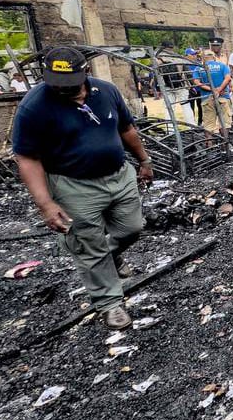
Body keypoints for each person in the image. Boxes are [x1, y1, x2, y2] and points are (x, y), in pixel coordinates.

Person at [11, 47, 153, 330]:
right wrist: (46, 204)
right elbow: (27, 157)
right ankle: (110, 303)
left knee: (132, 227)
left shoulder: (106, 91)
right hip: (73, 184)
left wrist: (144, 160)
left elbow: (126, 129)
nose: (62, 90)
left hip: (118, 175)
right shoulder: (35, 105)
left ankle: (110, 256)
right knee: (88, 244)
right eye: (56, 83)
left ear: (85, 72)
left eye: (70, 83)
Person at [192, 49, 232, 136]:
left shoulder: (199, 68)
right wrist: (219, 89)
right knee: (225, 122)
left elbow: (197, 82)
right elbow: (228, 78)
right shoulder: (222, 66)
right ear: (214, 57)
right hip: (223, 96)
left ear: (203, 58)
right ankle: (225, 145)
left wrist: (211, 89)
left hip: (207, 98)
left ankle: (210, 145)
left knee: (209, 124)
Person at [156, 41, 196, 126]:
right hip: (180, 84)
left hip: (167, 86)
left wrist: (158, 88)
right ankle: (192, 126)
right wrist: (192, 85)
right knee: (186, 105)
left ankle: (171, 130)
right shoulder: (178, 57)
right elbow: (188, 72)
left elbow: (156, 74)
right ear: (172, 47)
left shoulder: (158, 58)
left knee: (169, 108)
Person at [184, 48, 204, 125]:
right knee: (190, 107)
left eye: (195, 54)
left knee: (201, 106)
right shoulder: (184, 65)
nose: (194, 56)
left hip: (199, 88)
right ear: (187, 55)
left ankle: (200, 122)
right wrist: (190, 87)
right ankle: (192, 123)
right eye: (192, 54)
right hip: (189, 89)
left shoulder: (198, 63)